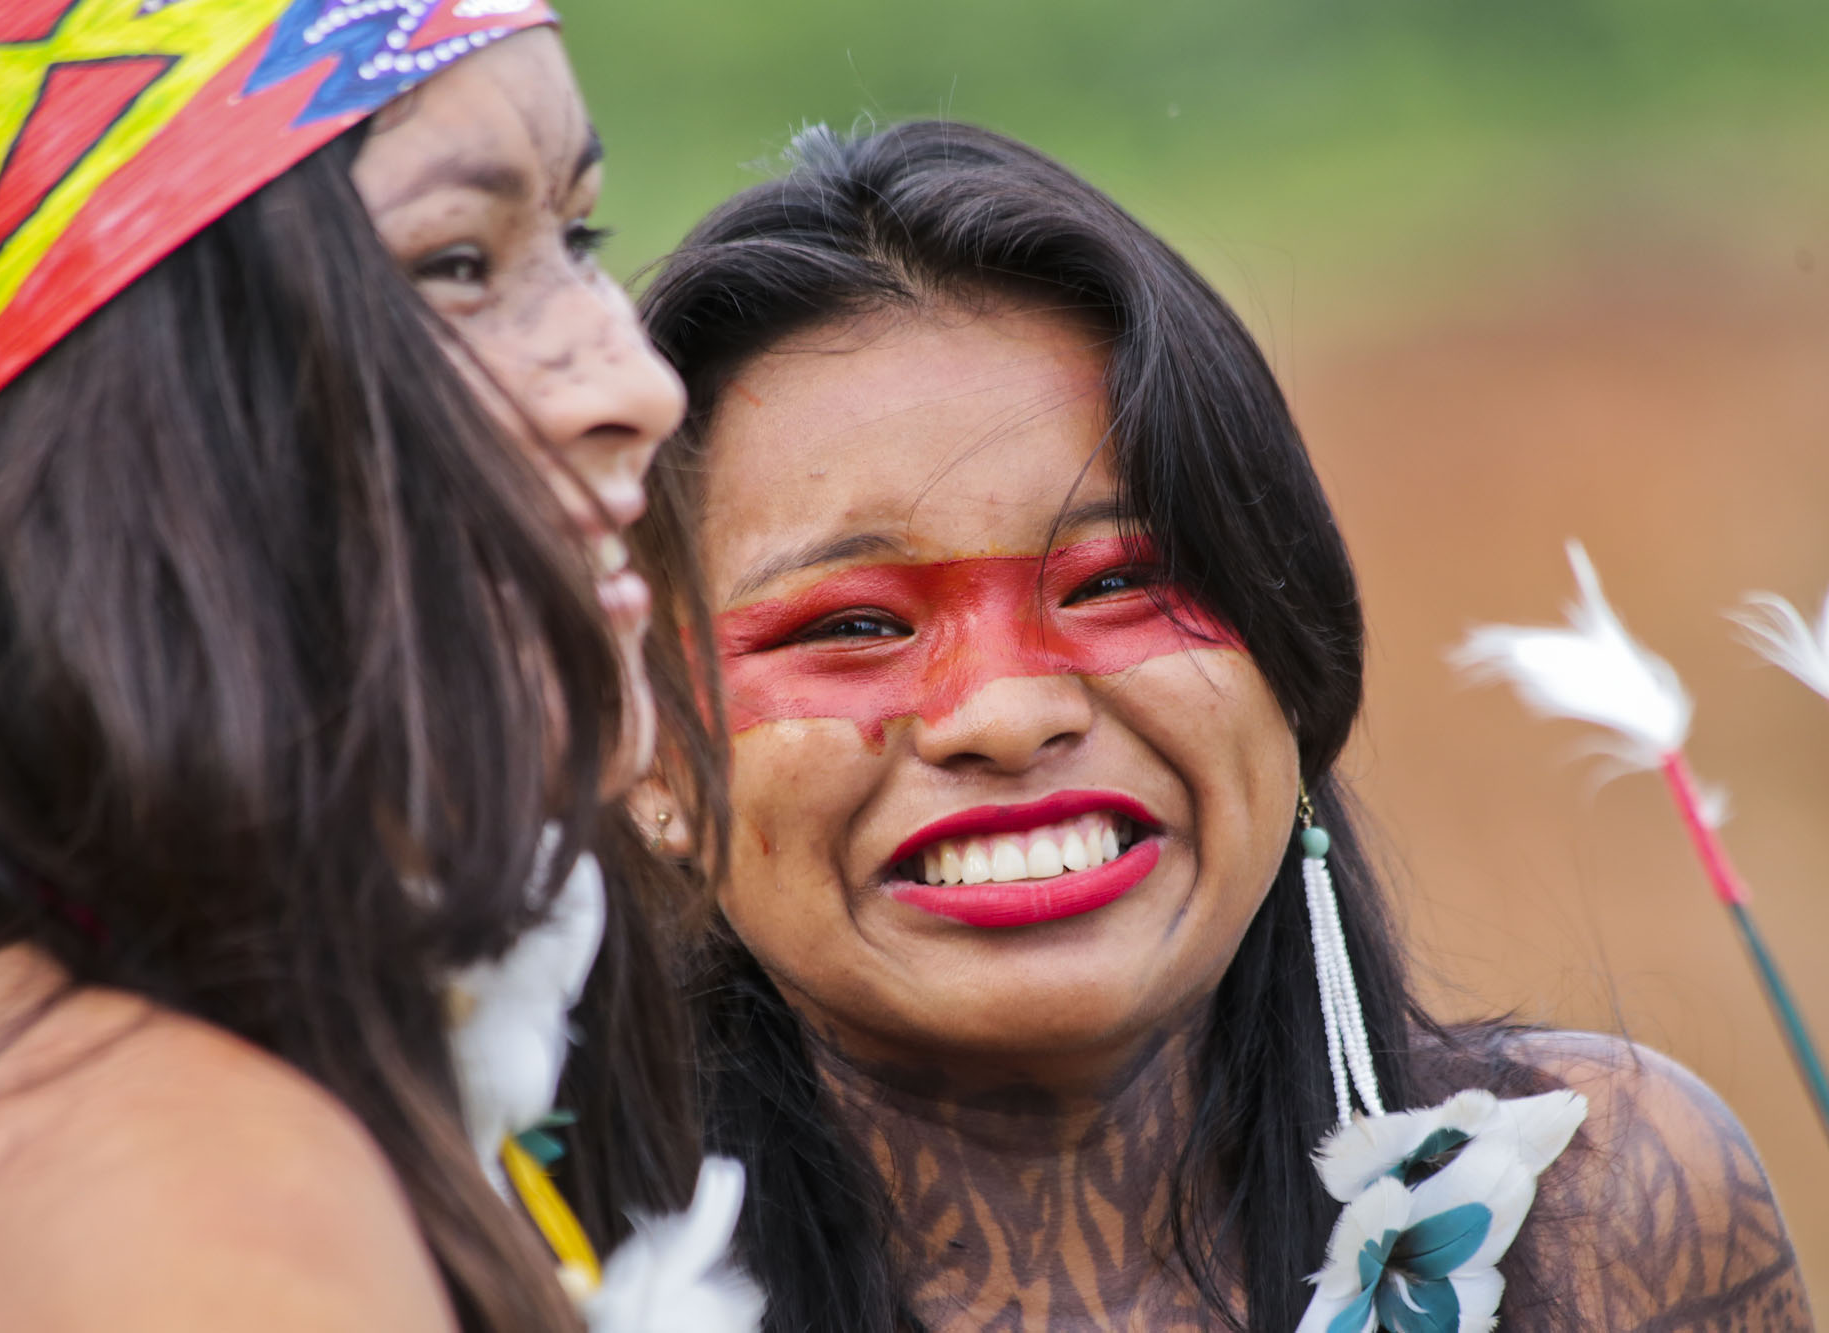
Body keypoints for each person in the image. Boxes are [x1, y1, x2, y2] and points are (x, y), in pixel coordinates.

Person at [630, 121, 1816, 1332]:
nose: (1005, 710)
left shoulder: (1612, 1210)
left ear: (1289, 669)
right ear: (654, 754)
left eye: (1111, 584)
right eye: (855, 625)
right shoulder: (513, 1281)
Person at [0, 5, 756, 1330]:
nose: (637, 383)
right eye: (453, 262)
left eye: (579, 236)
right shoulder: (153, 1185)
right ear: (5, 425)